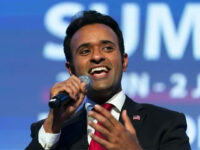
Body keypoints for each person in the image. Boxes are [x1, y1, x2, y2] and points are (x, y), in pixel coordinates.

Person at [26, 10, 191, 150]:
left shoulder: (166, 124)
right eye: (85, 51)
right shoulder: (53, 130)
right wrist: (52, 126)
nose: (97, 56)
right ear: (70, 69)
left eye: (107, 48)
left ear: (124, 61)